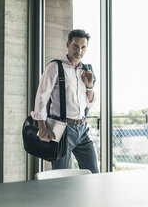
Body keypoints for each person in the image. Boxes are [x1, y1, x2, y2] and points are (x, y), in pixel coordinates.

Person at [30, 29, 99, 173]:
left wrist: (90, 85)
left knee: (93, 173)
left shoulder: (86, 70)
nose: (79, 50)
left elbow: (90, 103)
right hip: (62, 129)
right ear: (67, 44)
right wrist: (41, 126)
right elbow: (41, 97)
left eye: (83, 47)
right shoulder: (55, 67)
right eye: (75, 46)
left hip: (82, 129)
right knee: (59, 176)